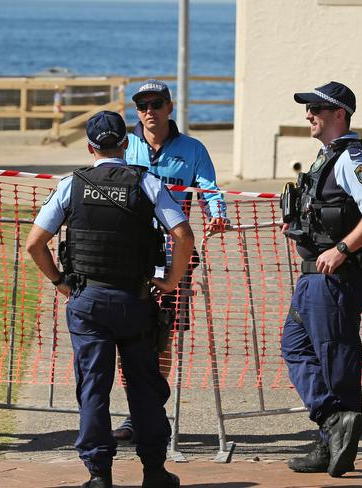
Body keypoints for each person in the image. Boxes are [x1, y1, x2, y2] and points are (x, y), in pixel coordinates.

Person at [26, 111, 194, 488]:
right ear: (125, 143)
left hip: (87, 300)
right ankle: (154, 471)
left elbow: (34, 243)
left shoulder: (72, 183)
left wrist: (58, 282)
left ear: (89, 147)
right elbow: (184, 236)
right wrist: (169, 281)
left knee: (93, 387)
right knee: (144, 388)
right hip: (135, 301)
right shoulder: (147, 182)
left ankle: (99, 474)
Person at [114, 79, 229, 441]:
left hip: (174, 257)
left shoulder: (193, 149)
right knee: (126, 337)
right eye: (142, 105)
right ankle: (135, 410)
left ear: (170, 107)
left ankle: (152, 409)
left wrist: (216, 213)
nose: (150, 111)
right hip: (128, 258)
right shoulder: (123, 144)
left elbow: (210, 189)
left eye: (157, 104)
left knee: (162, 337)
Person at [281, 81, 362, 478]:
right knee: (296, 347)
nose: (309, 115)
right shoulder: (328, 157)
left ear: (339, 114)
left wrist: (341, 249)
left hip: (335, 275)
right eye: (309, 109)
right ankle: (331, 426)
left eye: (317, 109)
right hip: (316, 276)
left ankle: (333, 438)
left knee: (335, 358)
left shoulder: (351, 158)